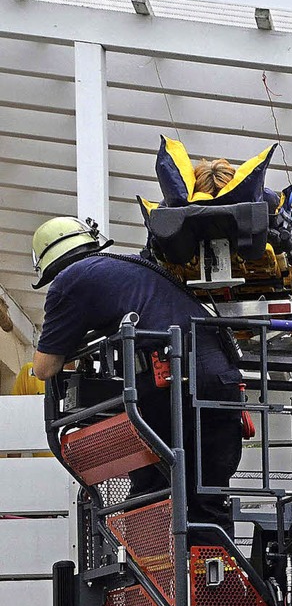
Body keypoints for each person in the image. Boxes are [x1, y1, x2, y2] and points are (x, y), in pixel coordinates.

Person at [31, 216, 242, 534]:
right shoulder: (131, 267)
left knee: (150, 495)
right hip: (221, 381)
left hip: (169, 386)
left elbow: (44, 367)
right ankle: (214, 579)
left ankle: (146, 579)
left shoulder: (69, 281)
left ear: (50, 265)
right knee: (207, 501)